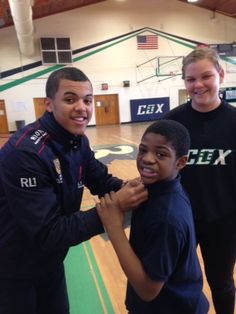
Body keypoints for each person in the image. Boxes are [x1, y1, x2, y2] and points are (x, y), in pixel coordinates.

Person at [0, 67, 148, 314]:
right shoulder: (25, 154)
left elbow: (100, 180)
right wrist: (115, 208)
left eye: (87, 100)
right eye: (70, 99)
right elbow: (49, 232)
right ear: (49, 104)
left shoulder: (78, 140)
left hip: (50, 263)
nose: (82, 107)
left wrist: (136, 189)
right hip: (12, 270)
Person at [96, 119, 209, 314]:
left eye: (160, 154)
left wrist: (114, 227)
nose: (147, 159)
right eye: (142, 150)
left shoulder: (167, 218)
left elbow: (148, 290)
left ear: (181, 162)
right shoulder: (160, 189)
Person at [163, 47, 236, 314]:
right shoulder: (172, 123)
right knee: (174, 280)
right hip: (179, 220)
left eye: (206, 76)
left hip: (224, 221)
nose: (198, 85)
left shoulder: (233, 121)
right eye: (191, 79)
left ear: (221, 75)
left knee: (222, 282)